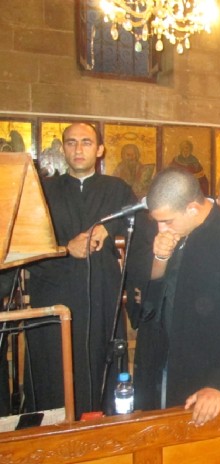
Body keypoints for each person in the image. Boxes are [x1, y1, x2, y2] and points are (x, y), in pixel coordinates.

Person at [133, 167, 220, 425]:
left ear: (192, 209)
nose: (162, 228)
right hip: (164, 356)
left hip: (203, 373)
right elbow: (153, 293)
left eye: (167, 221)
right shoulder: (180, 229)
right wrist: (160, 257)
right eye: (158, 221)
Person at [26, 122, 138, 417]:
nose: (78, 149)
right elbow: (26, 245)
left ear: (99, 150)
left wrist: (108, 227)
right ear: (63, 149)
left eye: (86, 142)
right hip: (55, 293)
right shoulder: (42, 191)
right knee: (56, 373)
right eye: (71, 142)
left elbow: (138, 223)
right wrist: (66, 248)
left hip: (102, 295)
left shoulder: (117, 189)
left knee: (103, 366)